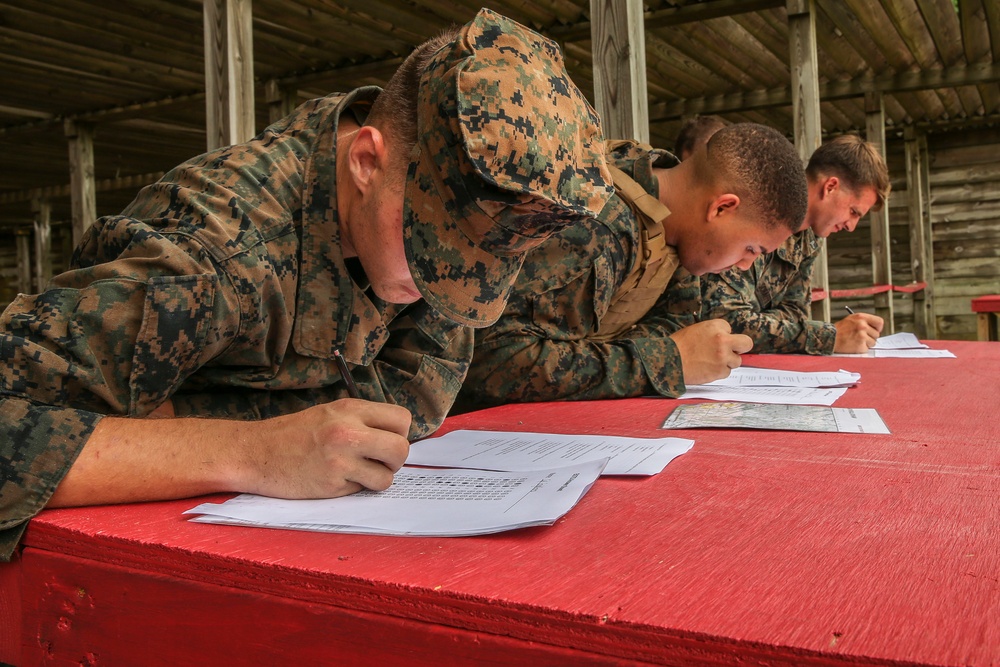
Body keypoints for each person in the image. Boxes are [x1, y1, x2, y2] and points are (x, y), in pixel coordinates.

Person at [0, 8, 615, 560]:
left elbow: (407, 407)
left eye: (480, 264)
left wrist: (177, 419)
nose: (447, 287)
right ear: (366, 161)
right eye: (437, 249)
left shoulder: (442, 218)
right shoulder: (216, 253)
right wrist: (253, 452)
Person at [454, 123, 809, 411]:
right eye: (751, 248)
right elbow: (495, 361)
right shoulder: (596, 225)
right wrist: (665, 360)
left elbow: (674, 323)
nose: (745, 264)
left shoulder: (676, 231)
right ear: (721, 208)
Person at [701, 134, 891, 355]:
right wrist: (827, 337)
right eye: (853, 212)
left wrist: (760, 324)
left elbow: (796, 313)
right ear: (830, 187)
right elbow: (725, 320)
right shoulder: (756, 210)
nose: (852, 226)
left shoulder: (809, 239)